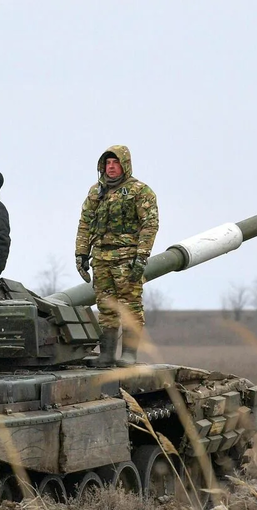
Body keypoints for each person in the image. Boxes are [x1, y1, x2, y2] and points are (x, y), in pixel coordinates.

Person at [74, 145, 158, 366]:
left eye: (115, 163)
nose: (111, 167)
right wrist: (81, 253)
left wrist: (141, 257)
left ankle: (129, 354)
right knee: (106, 307)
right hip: (101, 258)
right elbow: (85, 224)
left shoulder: (140, 191)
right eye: (108, 163)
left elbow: (150, 225)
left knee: (130, 306)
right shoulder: (96, 192)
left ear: (125, 165)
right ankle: (107, 354)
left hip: (127, 258)